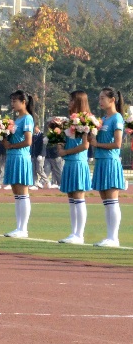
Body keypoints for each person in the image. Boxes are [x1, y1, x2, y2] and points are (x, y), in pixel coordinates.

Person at [57, 91, 94, 245]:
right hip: (69, 162)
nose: (69, 103)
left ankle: (79, 234)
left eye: (72, 100)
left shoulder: (86, 120)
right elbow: (63, 140)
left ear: (79, 102)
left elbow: (85, 145)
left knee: (79, 197)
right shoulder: (68, 121)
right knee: (71, 198)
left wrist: (66, 152)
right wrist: (59, 143)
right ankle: (73, 232)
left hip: (78, 162)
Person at [89, 88, 124, 247]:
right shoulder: (103, 119)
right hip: (101, 161)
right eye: (99, 98)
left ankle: (113, 238)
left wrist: (97, 144)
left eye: (103, 98)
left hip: (110, 161)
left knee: (112, 200)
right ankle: (109, 236)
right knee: (106, 201)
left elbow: (117, 144)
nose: (100, 101)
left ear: (112, 100)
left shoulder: (117, 118)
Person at [2, 90, 36, 239]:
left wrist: (12, 146)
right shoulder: (16, 119)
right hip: (12, 156)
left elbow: (28, 141)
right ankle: (18, 226)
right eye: (12, 101)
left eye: (15, 101)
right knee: (17, 193)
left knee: (22, 192)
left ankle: (23, 228)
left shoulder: (27, 118)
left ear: (24, 102)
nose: (12, 104)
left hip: (21, 157)